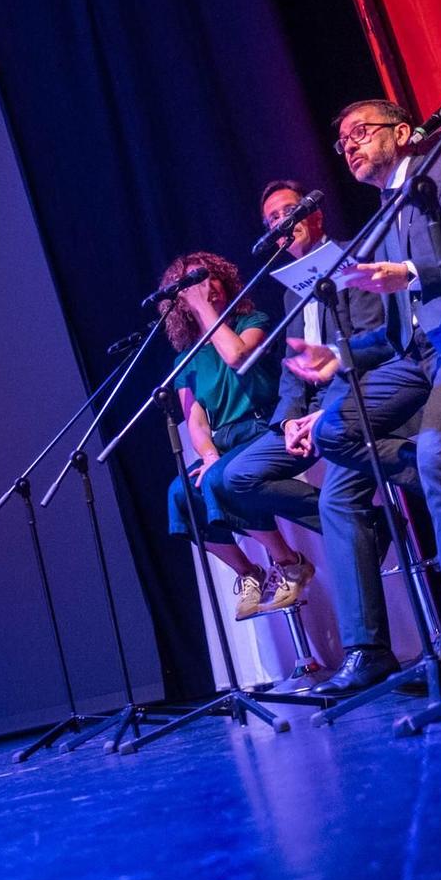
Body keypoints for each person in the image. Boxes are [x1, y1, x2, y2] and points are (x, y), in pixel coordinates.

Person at [289, 100, 441, 697]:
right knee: (334, 429)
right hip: (421, 356)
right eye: (342, 142)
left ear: (402, 132)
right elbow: (400, 331)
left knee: (435, 449)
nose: (348, 147)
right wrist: (341, 357)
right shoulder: (384, 214)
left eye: (360, 133)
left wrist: (413, 271)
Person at [205, 181, 384, 615]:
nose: (282, 224)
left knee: (336, 500)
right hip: (308, 416)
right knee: (234, 477)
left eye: (290, 211)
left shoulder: (351, 258)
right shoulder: (290, 289)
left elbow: (374, 342)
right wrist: (287, 420)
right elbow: (292, 373)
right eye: (272, 221)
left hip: (356, 400)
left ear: (316, 215)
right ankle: (373, 524)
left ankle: (365, 646)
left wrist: (323, 411)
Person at [159, 251, 316, 621]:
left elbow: (236, 356)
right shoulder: (187, 358)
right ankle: (249, 573)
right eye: (193, 285)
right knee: (179, 494)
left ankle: (290, 563)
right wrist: (209, 454)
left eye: (208, 278)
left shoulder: (253, 321)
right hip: (225, 442)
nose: (204, 288)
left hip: (264, 426)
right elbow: (195, 420)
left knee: (222, 480)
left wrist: (206, 311)